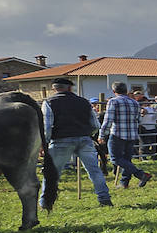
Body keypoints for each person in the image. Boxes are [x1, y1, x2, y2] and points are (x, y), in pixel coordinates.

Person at [42, 77, 112, 207]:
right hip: (84, 139)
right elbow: (95, 124)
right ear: (69, 88)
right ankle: (104, 199)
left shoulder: (49, 102)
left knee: (52, 173)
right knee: (94, 171)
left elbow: (47, 126)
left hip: (60, 140)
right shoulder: (84, 102)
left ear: (54, 89)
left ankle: (45, 202)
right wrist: (88, 134)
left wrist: (45, 143)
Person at [99, 81, 153, 188]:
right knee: (127, 159)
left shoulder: (113, 102)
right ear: (126, 91)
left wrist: (102, 134)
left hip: (117, 134)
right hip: (132, 134)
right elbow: (138, 119)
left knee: (115, 158)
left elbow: (108, 119)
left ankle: (141, 174)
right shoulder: (135, 103)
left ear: (114, 91)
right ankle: (124, 182)